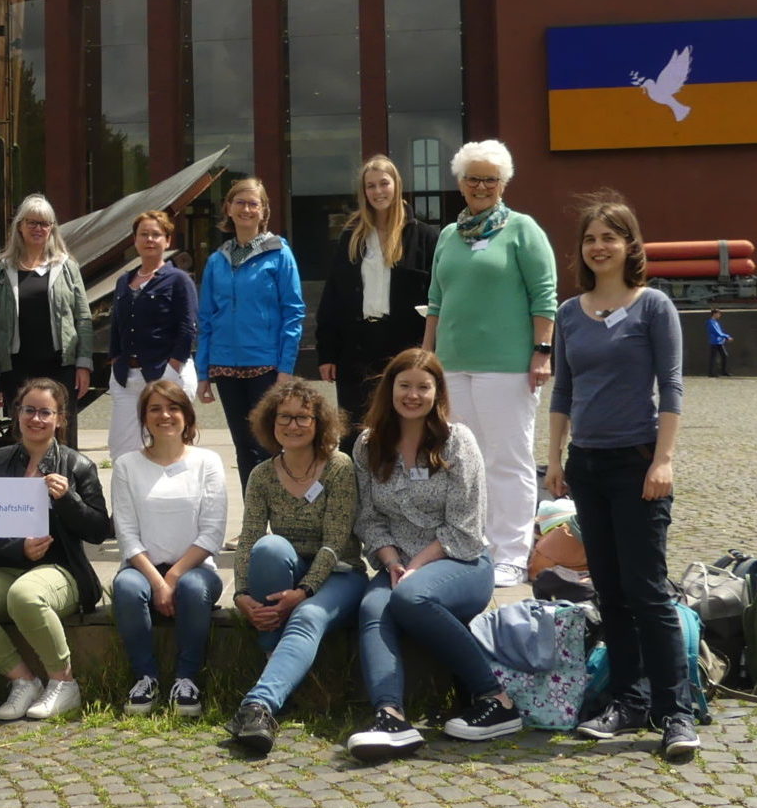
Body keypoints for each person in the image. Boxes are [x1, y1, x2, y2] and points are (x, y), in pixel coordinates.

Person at [545, 193, 699, 761]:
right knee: (608, 591)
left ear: (630, 246)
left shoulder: (653, 306)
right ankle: (628, 703)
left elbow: (673, 386)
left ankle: (675, 712)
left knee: (647, 591)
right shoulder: (567, 312)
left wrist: (664, 460)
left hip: (638, 464)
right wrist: (555, 457)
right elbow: (562, 391)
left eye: (610, 237)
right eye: (591, 238)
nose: (599, 246)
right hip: (586, 465)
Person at [346, 347, 518, 761]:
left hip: (460, 561)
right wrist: (391, 562)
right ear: (390, 390)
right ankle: (390, 715)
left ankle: (497, 700)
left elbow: (465, 523)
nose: (413, 395)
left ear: (437, 392)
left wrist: (415, 567)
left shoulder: (457, 441)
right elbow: (367, 518)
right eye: (404, 386)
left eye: (423, 387)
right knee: (373, 607)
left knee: (411, 597)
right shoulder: (369, 444)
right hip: (396, 564)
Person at [422, 140, 556, 587]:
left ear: (504, 183)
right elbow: (436, 302)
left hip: (507, 366)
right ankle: (473, 545)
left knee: (508, 460)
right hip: (453, 365)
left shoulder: (522, 230)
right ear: (460, 183)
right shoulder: (447, 236)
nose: (481, 186)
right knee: (464, 463)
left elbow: (545, 295)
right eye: (473, 178)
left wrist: (542, 352)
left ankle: (512, 553)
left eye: (490, 179)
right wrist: (427, 360)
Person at [0, 378, 112, 721]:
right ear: (16, 414)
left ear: (61, 418)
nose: (36, 419)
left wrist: (69, 499)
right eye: (29, 410)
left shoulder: (78, 465)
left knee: (25, 595)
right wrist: (18, 548)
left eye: (45, 412)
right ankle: (23, 680)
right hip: (6, 563)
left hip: (61, 569)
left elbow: (98, 531)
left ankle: (64, 683)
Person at [225, 379, 366, 755]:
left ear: (319, 423)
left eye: (303, 417)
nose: (293, 425)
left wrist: (303, 592)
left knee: (306, 616)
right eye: (284, 417)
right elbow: (249, 537)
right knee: (269, 547)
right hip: (286, 569)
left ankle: (257, 706)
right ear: (270, 422)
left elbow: (336, 543)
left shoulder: (338, 467)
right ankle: (275, 660)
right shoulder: (262, 475)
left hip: (339, 573)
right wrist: (240, 595)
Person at [110, 380, 226, 716]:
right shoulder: (127, 465)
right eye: (155, 408)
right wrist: (158, 582)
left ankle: (186, 679)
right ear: (144, 418)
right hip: (142, 568)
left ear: (187, 416)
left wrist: (172, 577)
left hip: (195, 569)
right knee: (127, 588)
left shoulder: (208, 462)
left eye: (173, 407)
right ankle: (145, 678)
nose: (165, 415)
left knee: (192, 588)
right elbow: (127, 535)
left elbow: (212, 532)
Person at [316, 157, 438, 443]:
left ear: (396, 186)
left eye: (384, 183)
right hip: (356, 348)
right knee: (355, 432)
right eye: (370, 185)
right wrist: (327, 353)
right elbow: (333, 296)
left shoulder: (424, 236)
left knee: (402, 427)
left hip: (403, 346)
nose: (378, 191)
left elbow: (436, 297)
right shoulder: (351, 237)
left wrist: (430, 349)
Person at [197, 176, 305, 491]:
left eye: (253, 203)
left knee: (268, 446)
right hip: (225, 365)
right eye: (240, 202)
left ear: (263, 211)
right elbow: (206, 318)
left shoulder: (279, 254)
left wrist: (285, 368)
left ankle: (280, 520)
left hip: (265, 365)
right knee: (242, 446)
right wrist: (203, 372)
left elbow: (293, 312)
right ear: (228, 209)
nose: (246, 209)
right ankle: (253, 523)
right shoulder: (217, 260)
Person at [0, 195, 93, 439]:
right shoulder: (2, 270)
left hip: (60, 366)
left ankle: (63, 479)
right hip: (17, 368)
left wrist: (84, 363)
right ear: (19, 226)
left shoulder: (66, 266)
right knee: (23, 437)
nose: (38, 228)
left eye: (44, 223)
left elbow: (83, 317)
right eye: (32, 222)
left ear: (52, 229)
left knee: (62, 436)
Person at [105, 210, 199, 461]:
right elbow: (117, 326)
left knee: (168, 449)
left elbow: (188, 328)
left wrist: (172, 369)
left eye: (156, 235)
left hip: (165, 374)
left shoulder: (178, 280)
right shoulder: (124, 281)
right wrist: (115, 361)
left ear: (167, 240)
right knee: (122, 451)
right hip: (128, 377)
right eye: (143, 234)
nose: (149, 239)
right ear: (134, 240)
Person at [705, 308, 733, 377]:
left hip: (719, 342)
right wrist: (727, 336)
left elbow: (719, 332)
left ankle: (723, 371)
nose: (720, 315)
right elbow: (717, 332)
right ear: (714, 314)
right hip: (714, 342)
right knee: (713, 357)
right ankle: (711, 373)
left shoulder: (715, 322)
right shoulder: (710, 322)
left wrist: (726, 336)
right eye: (718, 313)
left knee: (724, 355)